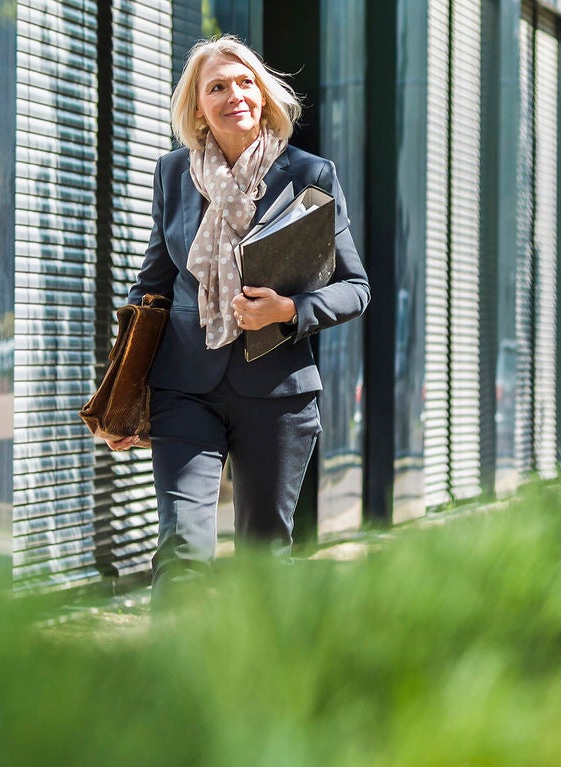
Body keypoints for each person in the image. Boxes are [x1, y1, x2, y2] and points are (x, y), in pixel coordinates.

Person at [104, 35, 369, 594]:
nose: (234, 96)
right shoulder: (173, 174)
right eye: (217, 87)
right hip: (184, 389)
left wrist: (290, 309)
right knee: (182, 551)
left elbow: (356, 287)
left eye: (245, 82)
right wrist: (122, 391)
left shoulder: (309, 174)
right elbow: (152, 286)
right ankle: (173, 677)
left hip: (277, 392)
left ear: (265, 95)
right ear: (198, 107)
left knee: (263, 562)